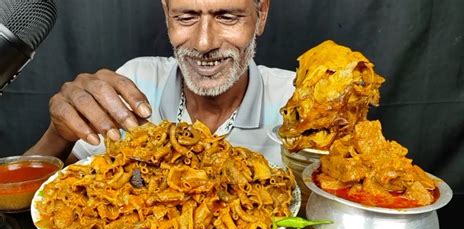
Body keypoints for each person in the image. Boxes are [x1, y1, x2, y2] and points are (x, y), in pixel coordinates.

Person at [26, 0, 295, 166]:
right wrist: (58, 136)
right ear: (167, 14)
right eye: (186, 17)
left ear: (261, 14)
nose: (204, 43)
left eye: (227, 17)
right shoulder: (133, 82)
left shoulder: (298, 100)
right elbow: (27, 201)